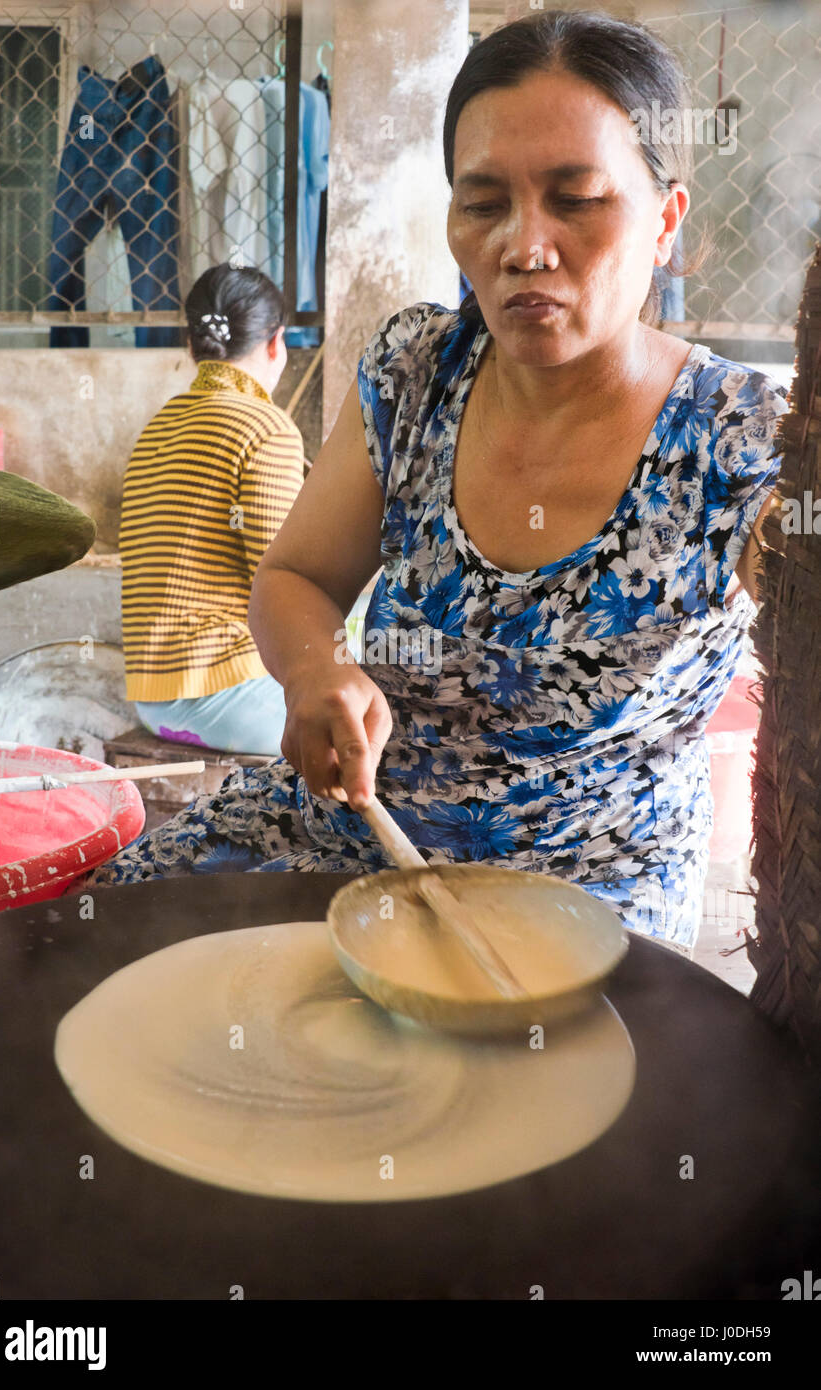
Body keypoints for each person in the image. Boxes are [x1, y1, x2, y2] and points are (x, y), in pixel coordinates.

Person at [82, 10, 789, 956]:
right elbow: (294, 580)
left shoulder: (740, 439)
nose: (523, 247)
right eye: (483, 200)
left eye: (577, 200)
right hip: (356, 825)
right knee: (97, 935)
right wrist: (315, 670)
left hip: (582, 883)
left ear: (664, 220)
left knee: (499, 1080)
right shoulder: (416, 370)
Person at [119, 262, 305, 755]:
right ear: (275, 343)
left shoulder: (157, 427)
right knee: (396, 705)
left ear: (191, 345)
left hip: (154, 704)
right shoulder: (266, 427)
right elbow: (285, 581)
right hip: (232, 699)